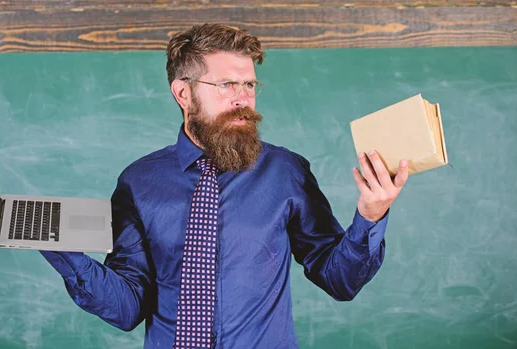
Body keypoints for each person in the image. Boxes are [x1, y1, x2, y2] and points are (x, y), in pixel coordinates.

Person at [40, 23, 409, 349]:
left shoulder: (285, 171)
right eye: (227, 84)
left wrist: (370, 216)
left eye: (249, 84)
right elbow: (128, 307)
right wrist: (60, 248)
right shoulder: (138, 182)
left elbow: (340, 280)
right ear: (183, 94)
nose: (243, 98)